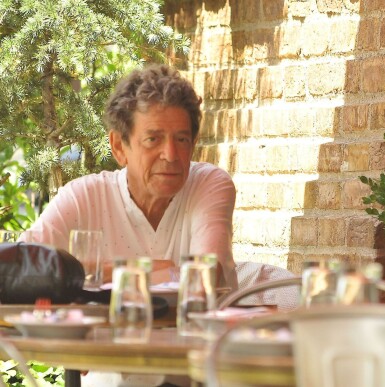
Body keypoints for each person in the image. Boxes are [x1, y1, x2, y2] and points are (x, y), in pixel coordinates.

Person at [21, 64, 238, 291]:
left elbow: (204, 277)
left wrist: (85, 273)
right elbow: (21, 266)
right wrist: (150, 270)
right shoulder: (84, 196)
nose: (171, 155)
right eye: (153, 139)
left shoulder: (208, 184)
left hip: (195, 327)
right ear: (118, 147)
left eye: (182, 140)